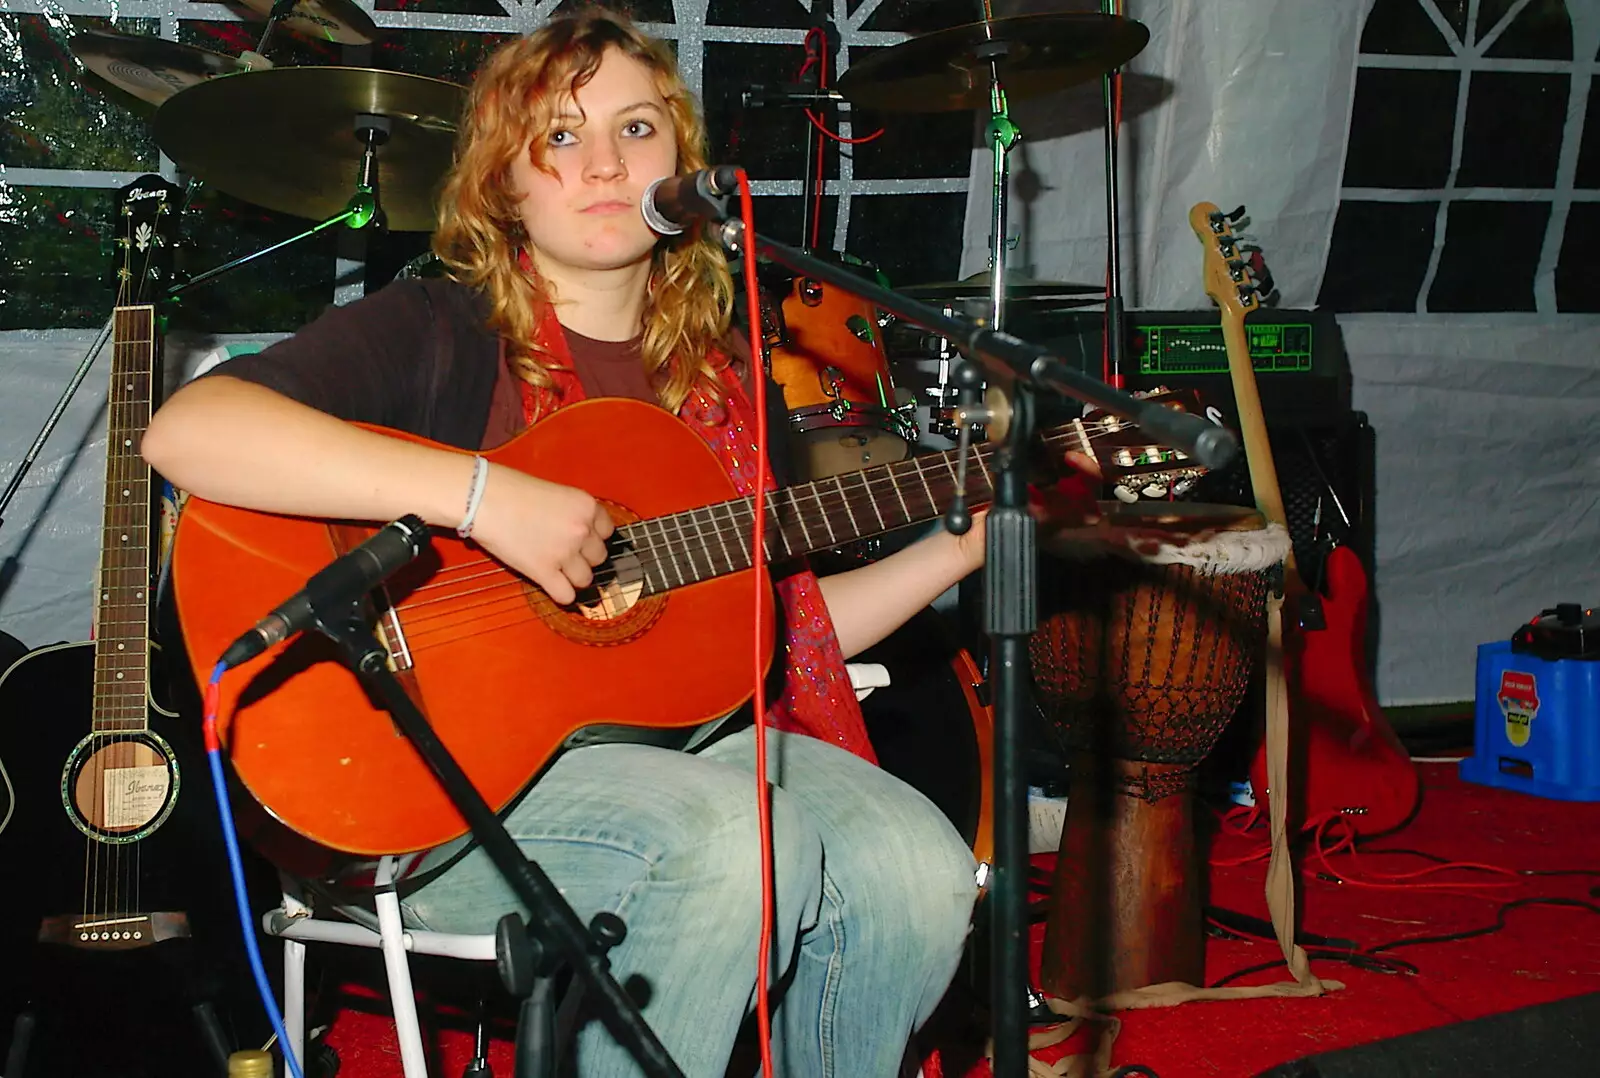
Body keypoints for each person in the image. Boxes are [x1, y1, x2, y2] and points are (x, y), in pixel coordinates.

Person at [144, 10, 1087, 1076]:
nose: (601, 163)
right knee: (726, 837)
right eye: (558, 136)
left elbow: (771, 637)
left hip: (675, 762)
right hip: (424, 782)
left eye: (636, 130)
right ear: (503, 180)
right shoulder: (437, 330)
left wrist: (961, 551)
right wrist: (482, 493)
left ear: (682, 167)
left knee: (916, 860)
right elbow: (187, 431)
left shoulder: (721, 385)